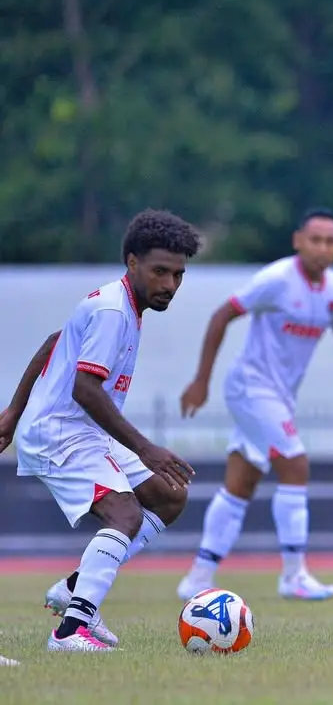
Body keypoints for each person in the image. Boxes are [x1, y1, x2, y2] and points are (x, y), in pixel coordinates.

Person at [0, 209, 202, 652]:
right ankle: (71, 631)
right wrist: (146, 448)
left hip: (82, 430)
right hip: (61, 432)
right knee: (125, 516)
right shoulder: (114, 309)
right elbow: (85, 390)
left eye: (178, 274)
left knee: (169, 496)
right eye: (160, 272)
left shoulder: (124, 303)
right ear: (132, 263)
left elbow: (57, 342)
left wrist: (12, 412)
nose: (170, 284)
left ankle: (76, 588)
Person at [176, 207, 333, 602]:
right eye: (315, 239)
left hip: (279, 397)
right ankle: (294, 574)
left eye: (330, 241)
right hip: (250, 387)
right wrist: (201, 380)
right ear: (298, 241)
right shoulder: (275, 279)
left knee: (241, 482)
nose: (322, 248)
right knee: (295, 462)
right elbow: (222, 315)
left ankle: (197, 576)